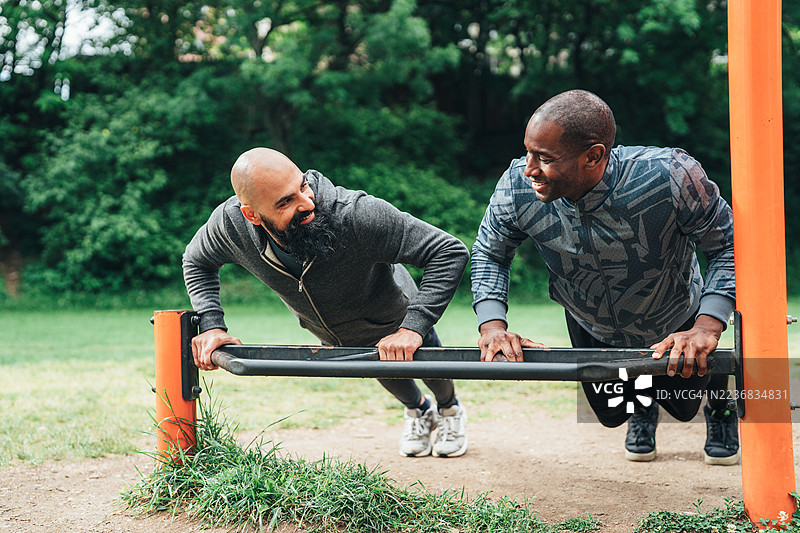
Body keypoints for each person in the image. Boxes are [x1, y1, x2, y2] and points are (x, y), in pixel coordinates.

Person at [471, 89, 738, 465]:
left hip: (674, 316)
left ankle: (721, 408)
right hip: (589, 321)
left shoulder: (670, 176)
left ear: (593, 156)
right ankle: (642, 404)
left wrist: (707, 326)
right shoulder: (517, 186)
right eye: (528, 152)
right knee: (611, 415)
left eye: (544, 158)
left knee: (683, 407)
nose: (528, 168)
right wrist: (492, 326)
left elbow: (727, 245)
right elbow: (490, 251)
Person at [184, 147, 470, 458]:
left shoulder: (357, 215)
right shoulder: (230, 227)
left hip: (396, 316)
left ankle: (450, 410)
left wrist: (413, 327)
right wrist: (211, 325)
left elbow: (448, 251)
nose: (307, 203)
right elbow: (196, 260)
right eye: (285, 202)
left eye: (303, 186)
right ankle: (420, 410)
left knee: (431, 371)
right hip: (339, 333)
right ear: (251, 215)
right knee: (389, 375)